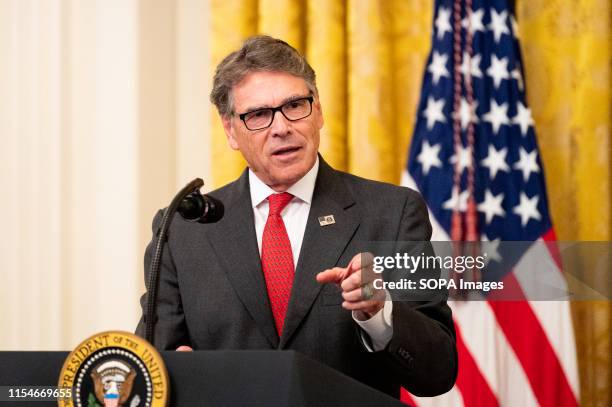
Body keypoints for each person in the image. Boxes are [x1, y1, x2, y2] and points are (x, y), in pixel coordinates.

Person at [136, 35, 457, 398]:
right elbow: (150, 364)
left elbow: (439, 372)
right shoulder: (182, 230)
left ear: (318, 110)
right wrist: (174, 370)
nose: (281, 127)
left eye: (295, 105)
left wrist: (379, 313)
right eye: (257, 115)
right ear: (230, 130)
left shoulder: (392, 212)